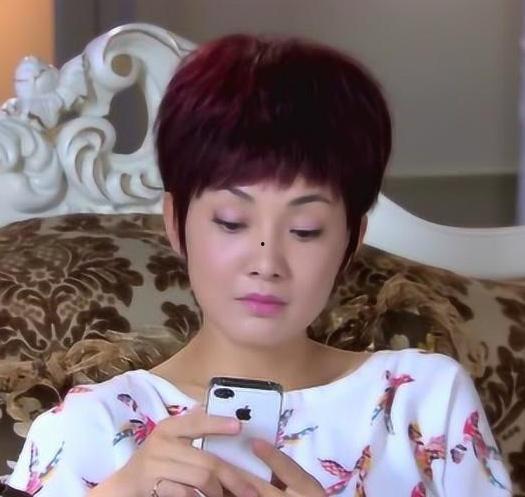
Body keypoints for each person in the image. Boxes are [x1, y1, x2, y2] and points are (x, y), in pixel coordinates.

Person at [2, 33, 512, 497]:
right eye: (231, 222)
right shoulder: (89, 426)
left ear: (351, 239)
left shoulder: (423, 401)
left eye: (305, 229)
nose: (267, 262)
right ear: (176, 222)